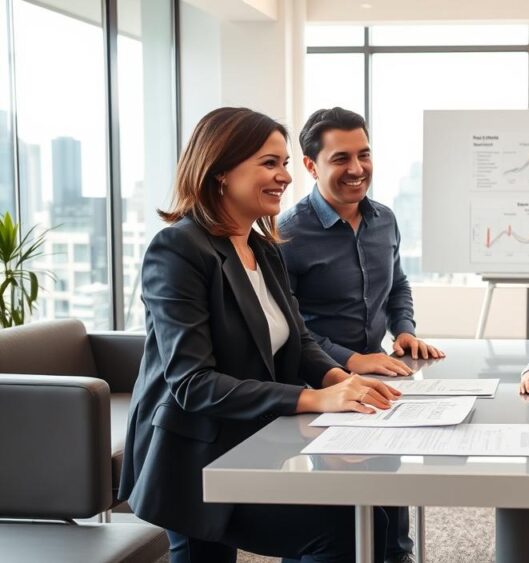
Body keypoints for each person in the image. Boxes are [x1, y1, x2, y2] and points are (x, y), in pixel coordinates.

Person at [118, 107, 400, 563]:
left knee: (358, 520)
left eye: (285, 162)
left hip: (248, 443)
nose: (285, 176)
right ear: (221, 171)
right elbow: (192, 382)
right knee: (337, 529)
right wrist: (312, 399)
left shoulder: (262, 247)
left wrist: (339, 381)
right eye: (269, 163)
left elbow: (298, 338)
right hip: (193, 458)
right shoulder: (178, 249)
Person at [279, 107, 439, 563]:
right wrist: (349, 360)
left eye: (364, 154)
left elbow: (398, 284)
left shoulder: (384, 219)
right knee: (331, 520)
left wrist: (404, 330)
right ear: (311, 166)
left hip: (381, 383)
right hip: (322, 386)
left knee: (389, 498)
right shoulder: (287, 234)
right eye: (341, 158)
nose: (356, 169)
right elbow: (289, 325)